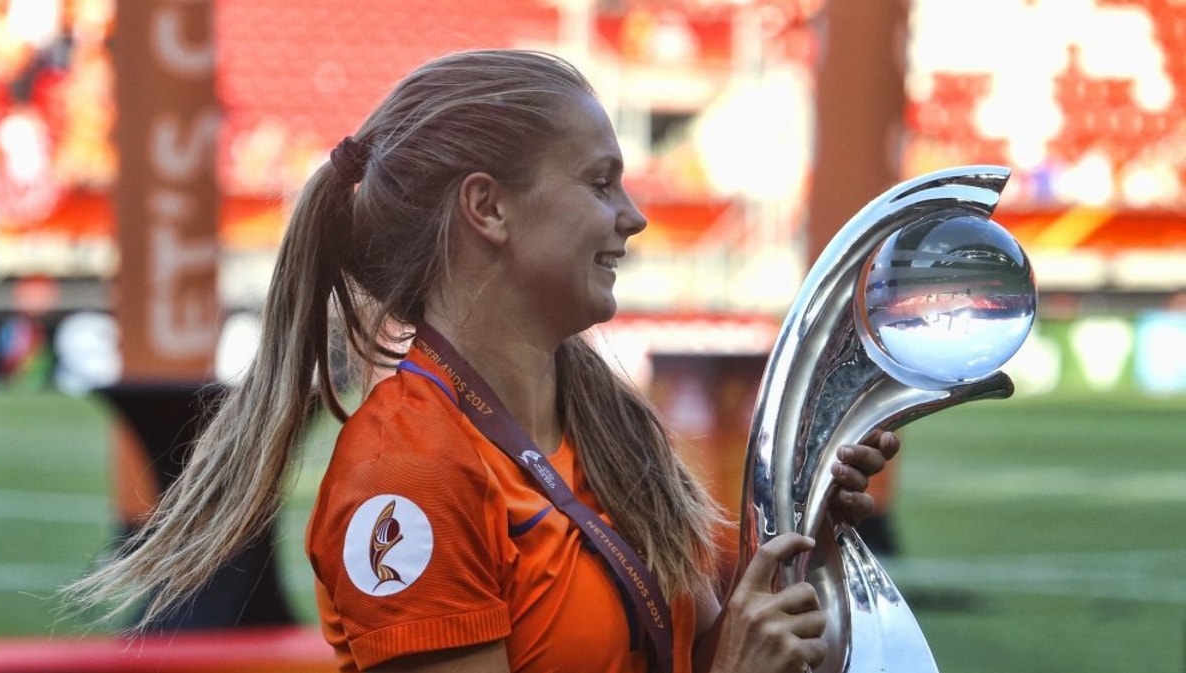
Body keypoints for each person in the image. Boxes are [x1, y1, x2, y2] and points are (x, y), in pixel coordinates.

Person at [65, 49, 900, 673]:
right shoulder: (407, 473)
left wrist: (808, 542)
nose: (634, 216)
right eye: (599, 182)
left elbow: (688, 649)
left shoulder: (609, 419)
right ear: (488, 208)